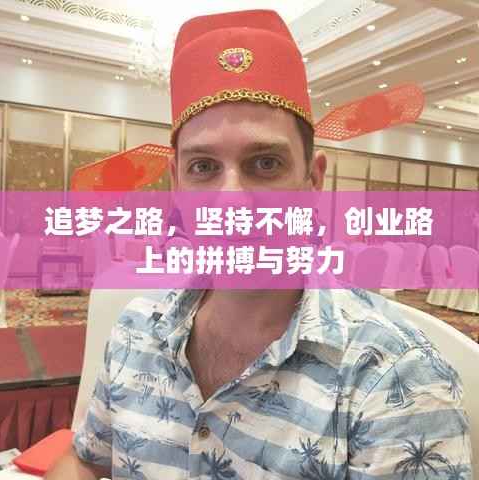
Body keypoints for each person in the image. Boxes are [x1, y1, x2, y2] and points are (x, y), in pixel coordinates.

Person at [46, 9, 473, 480]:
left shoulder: (396, 379)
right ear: (176, 186)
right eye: (203, 167)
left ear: (313, 180)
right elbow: (85, 460)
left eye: (265, 163)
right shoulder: (137, 327)